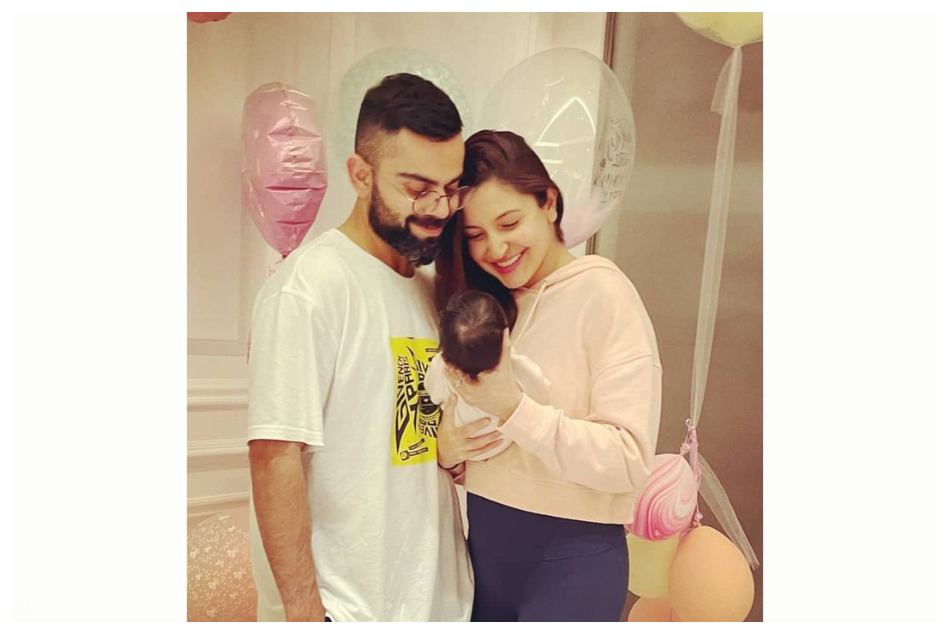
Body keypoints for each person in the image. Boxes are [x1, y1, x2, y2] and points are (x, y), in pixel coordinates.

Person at [246, 73, 494, 622]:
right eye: (416, 187)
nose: (438, 208)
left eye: (451, 188)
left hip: (438, 604)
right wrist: (305, 615)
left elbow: (413, 437)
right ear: (361, 174)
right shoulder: (309, 287)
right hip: (347, 610)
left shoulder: (431, 290)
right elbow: (273, 457)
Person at [434, 130, 662, 622]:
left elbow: (628, 460)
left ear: (549, 203)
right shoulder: (489, 310)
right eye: (475, 236)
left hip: (573, 564)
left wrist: (516, 410)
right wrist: (448, 452)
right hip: (482, 558)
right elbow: (491, 447)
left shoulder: (604, 294)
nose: (496, 248)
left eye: (509, 222)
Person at [425, 289, 551, 462]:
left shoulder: (441, 367)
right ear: (505, 337)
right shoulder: (513, 364)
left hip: (464, 448)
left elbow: (433, 394)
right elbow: (542, 390)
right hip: (501, 441)